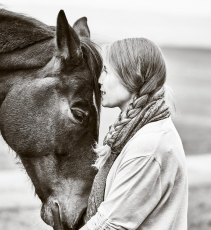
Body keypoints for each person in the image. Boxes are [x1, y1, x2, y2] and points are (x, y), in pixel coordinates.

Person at [80, 37, 188, 230]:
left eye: (106, 71)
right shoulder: (138, 131)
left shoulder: (149, 144)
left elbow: (110, 223)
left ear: (131, 77)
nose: (99, 81)